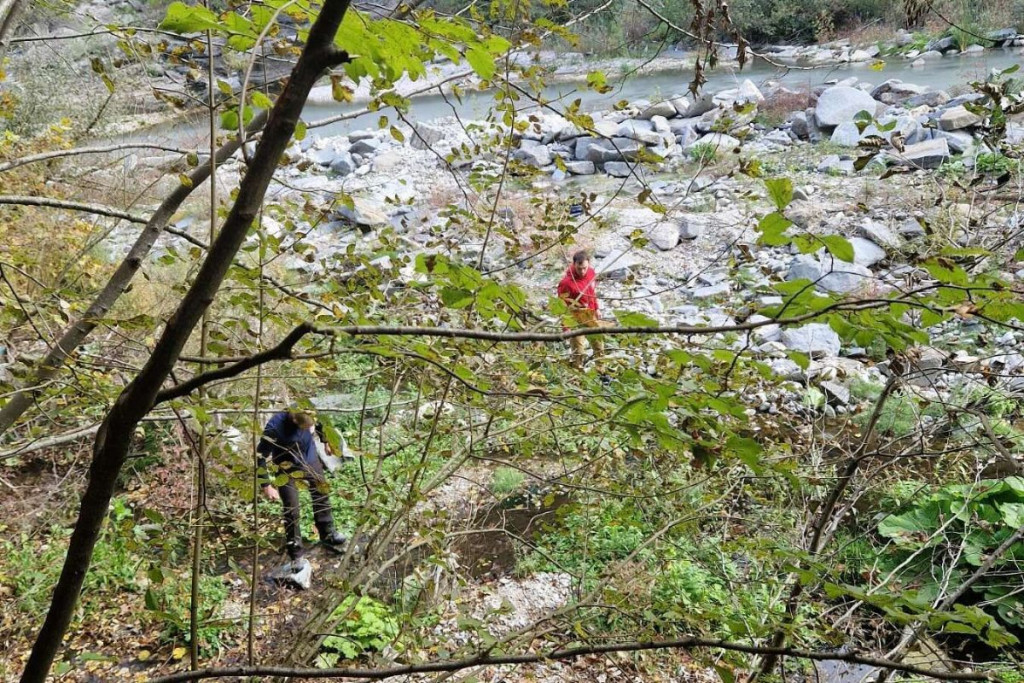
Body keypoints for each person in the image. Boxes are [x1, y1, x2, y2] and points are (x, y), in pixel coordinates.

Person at [257, 409, 346, 560]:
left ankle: (327, 533)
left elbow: (322, 424)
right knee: (292, 509)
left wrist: (326, 442)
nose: (308, 430)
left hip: (309, 458)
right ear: (294, 421)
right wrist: (266, 485)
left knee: (322, 492)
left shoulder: (307, 409)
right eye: (305, 428)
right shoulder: (274, 427)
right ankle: (296, 552)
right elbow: (260, 455)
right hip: (286, 468)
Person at [557, 250, 605, 369]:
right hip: (575, 317)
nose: (582, 271)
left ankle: (602, 370)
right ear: (574, 265)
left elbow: (592, 293)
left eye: (584, 268)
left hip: (590, 314)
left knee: (598, 344)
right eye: (579, 268)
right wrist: (566, 327)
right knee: (578, 351)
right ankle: (577, 373)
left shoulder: (591, 273)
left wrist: (597, 308)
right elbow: (562, 306)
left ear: (588, 264)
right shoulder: (566, 283)